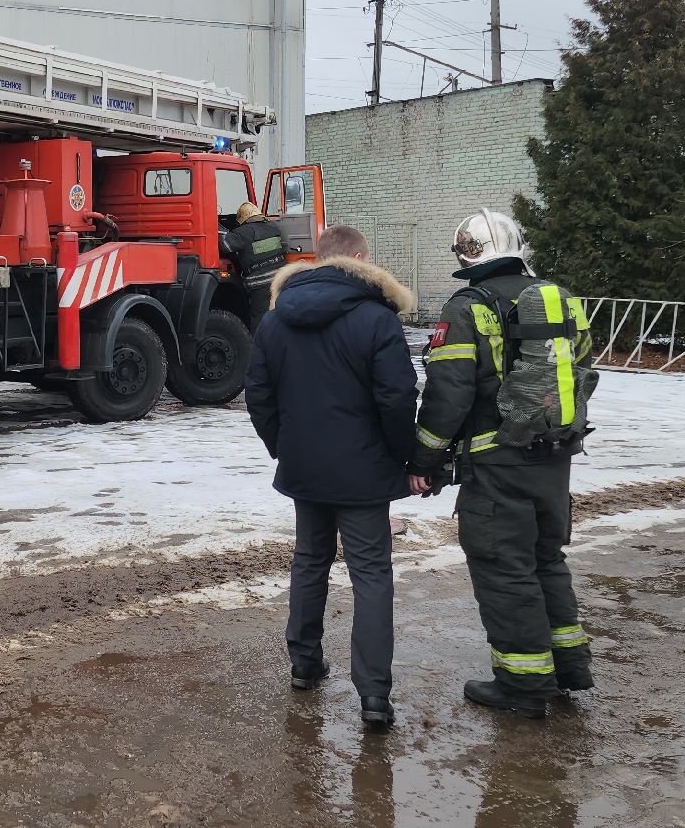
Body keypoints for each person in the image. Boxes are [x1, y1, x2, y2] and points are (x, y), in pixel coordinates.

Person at [412, 209, 595, 720]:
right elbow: (580, 366)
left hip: (497, 463)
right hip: (555, 456)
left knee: (504, 567)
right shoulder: (559, 300)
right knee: (545, 559)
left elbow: (449, 394)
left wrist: (424, 456)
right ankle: (568, 665)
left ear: (468, 252)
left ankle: (522, 683)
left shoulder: (469, 308)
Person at [245, 223, 417, 729]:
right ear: (362, 258)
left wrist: (285, 447)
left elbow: (258, 395)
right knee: (370, 574)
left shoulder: (276, 321)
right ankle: (374, 696)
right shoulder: (377, 319)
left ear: (317, 260)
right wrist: (403, 458)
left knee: (309, 561)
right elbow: (398, 398)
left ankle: (304, 662)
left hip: (305, 466)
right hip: (364, 471)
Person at [221, 201, 288, 325]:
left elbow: (224, 246)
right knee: (279, 314)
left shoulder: (242, 232)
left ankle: (259, 343)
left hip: (260, 284)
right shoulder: (273, 227)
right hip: (281, 279)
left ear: (243, 218)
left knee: (260, 318)